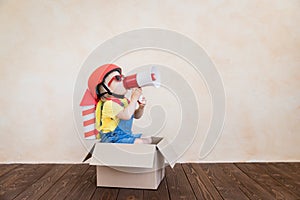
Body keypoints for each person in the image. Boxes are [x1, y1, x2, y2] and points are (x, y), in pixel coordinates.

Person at [88, 64, 151, 144]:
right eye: (117, 78)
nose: (123, 80)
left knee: (148, 139)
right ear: (104, 90)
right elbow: (126, 116)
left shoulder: (125, 101)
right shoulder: (109, 104)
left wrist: (140, 108)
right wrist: (134, 99)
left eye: (122, 77)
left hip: (125, 135)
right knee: (140, 142)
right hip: (112, 138)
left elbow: (136, 115)